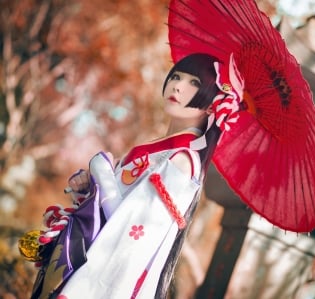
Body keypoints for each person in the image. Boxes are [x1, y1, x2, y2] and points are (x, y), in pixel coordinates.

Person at [29, 53, 243, 299]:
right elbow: (116, 203)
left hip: (104, 277)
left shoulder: (182, 163)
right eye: (176, 76)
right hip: (87, 256)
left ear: (212, 105)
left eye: (194, 83)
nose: (177, 85)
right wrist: (90, 185)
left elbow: (130, 229)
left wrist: (102, 173)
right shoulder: (163, 150)